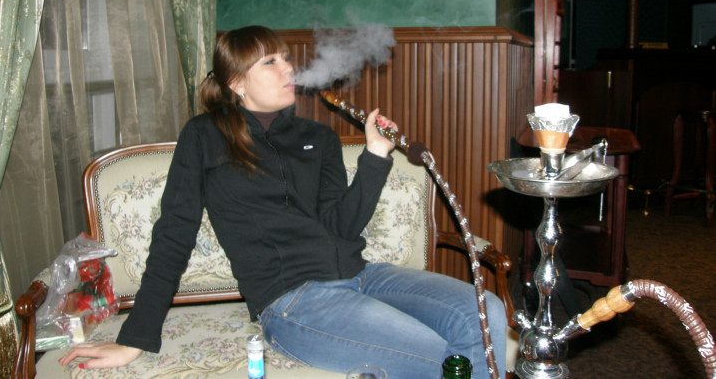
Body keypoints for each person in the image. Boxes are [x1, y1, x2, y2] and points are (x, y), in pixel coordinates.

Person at [60, 25, 507, 378]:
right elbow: (174, 233)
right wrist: (135, 337)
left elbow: (341, 227)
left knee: (487, 310)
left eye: (287, 59)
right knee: (443, 358)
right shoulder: (205, 135)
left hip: (363, 276)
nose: (288, 68)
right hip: (295, 301)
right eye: (270, 62)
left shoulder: (318, 137)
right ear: (237, 82)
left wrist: (375, 156)